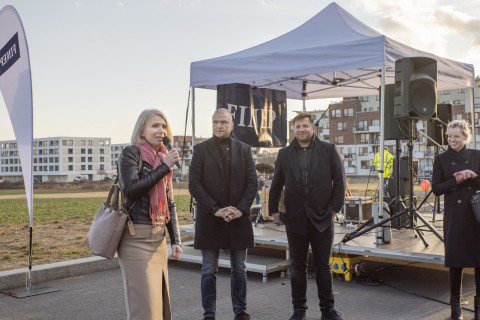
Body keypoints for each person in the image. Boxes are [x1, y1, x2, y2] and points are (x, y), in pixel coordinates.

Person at [269, 113, 345, 320]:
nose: (301, 129)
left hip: (323, 218)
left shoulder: (328, 150)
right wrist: (273, 211)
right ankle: (299, 310)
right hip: (295, 219)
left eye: (304, 126)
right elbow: (276, 184)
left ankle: (327, 311)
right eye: (297, 127)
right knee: (297, 267)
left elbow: (339, 181)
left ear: (313, 128)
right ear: (293, 130)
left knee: (323, 266)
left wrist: (334, 209)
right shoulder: (284, 153)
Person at [189, 108, 258, 320]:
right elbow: (194, 184)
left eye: (223, 122)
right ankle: (209, 314)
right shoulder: (200, 150)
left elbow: (252, 183)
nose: (219, 126)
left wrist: (240, 209)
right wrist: (214, 209)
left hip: (238, 218)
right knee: (209, 269)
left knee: (240, 269)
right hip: (210, 218)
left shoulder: (245, 149)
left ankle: (241, 311)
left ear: (231, 125)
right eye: (215, 122)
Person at [117, 109, 183, 320]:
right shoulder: (131, 153)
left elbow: (169, 202)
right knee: (145, 310)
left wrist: (176, 239)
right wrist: (164, 167)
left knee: (160, 308)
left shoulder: (163, 157)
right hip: (136, 239)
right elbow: (131, 190)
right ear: (142, 130)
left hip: (158, 238)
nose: (161, 130)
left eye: (164, 126)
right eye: (155, 126)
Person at [431, 119, 480, 320]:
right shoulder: (441, 159)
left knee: (479, 261)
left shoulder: (477, 155)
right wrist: (456, 180)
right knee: (456, 261)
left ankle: (479, 308)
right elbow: (436, 189)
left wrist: (472, 175)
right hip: (455, 214)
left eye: (456, 136)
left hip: (476, 213)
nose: (452, 140)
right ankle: (455, 307)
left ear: (465, 136)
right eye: (449, 136)